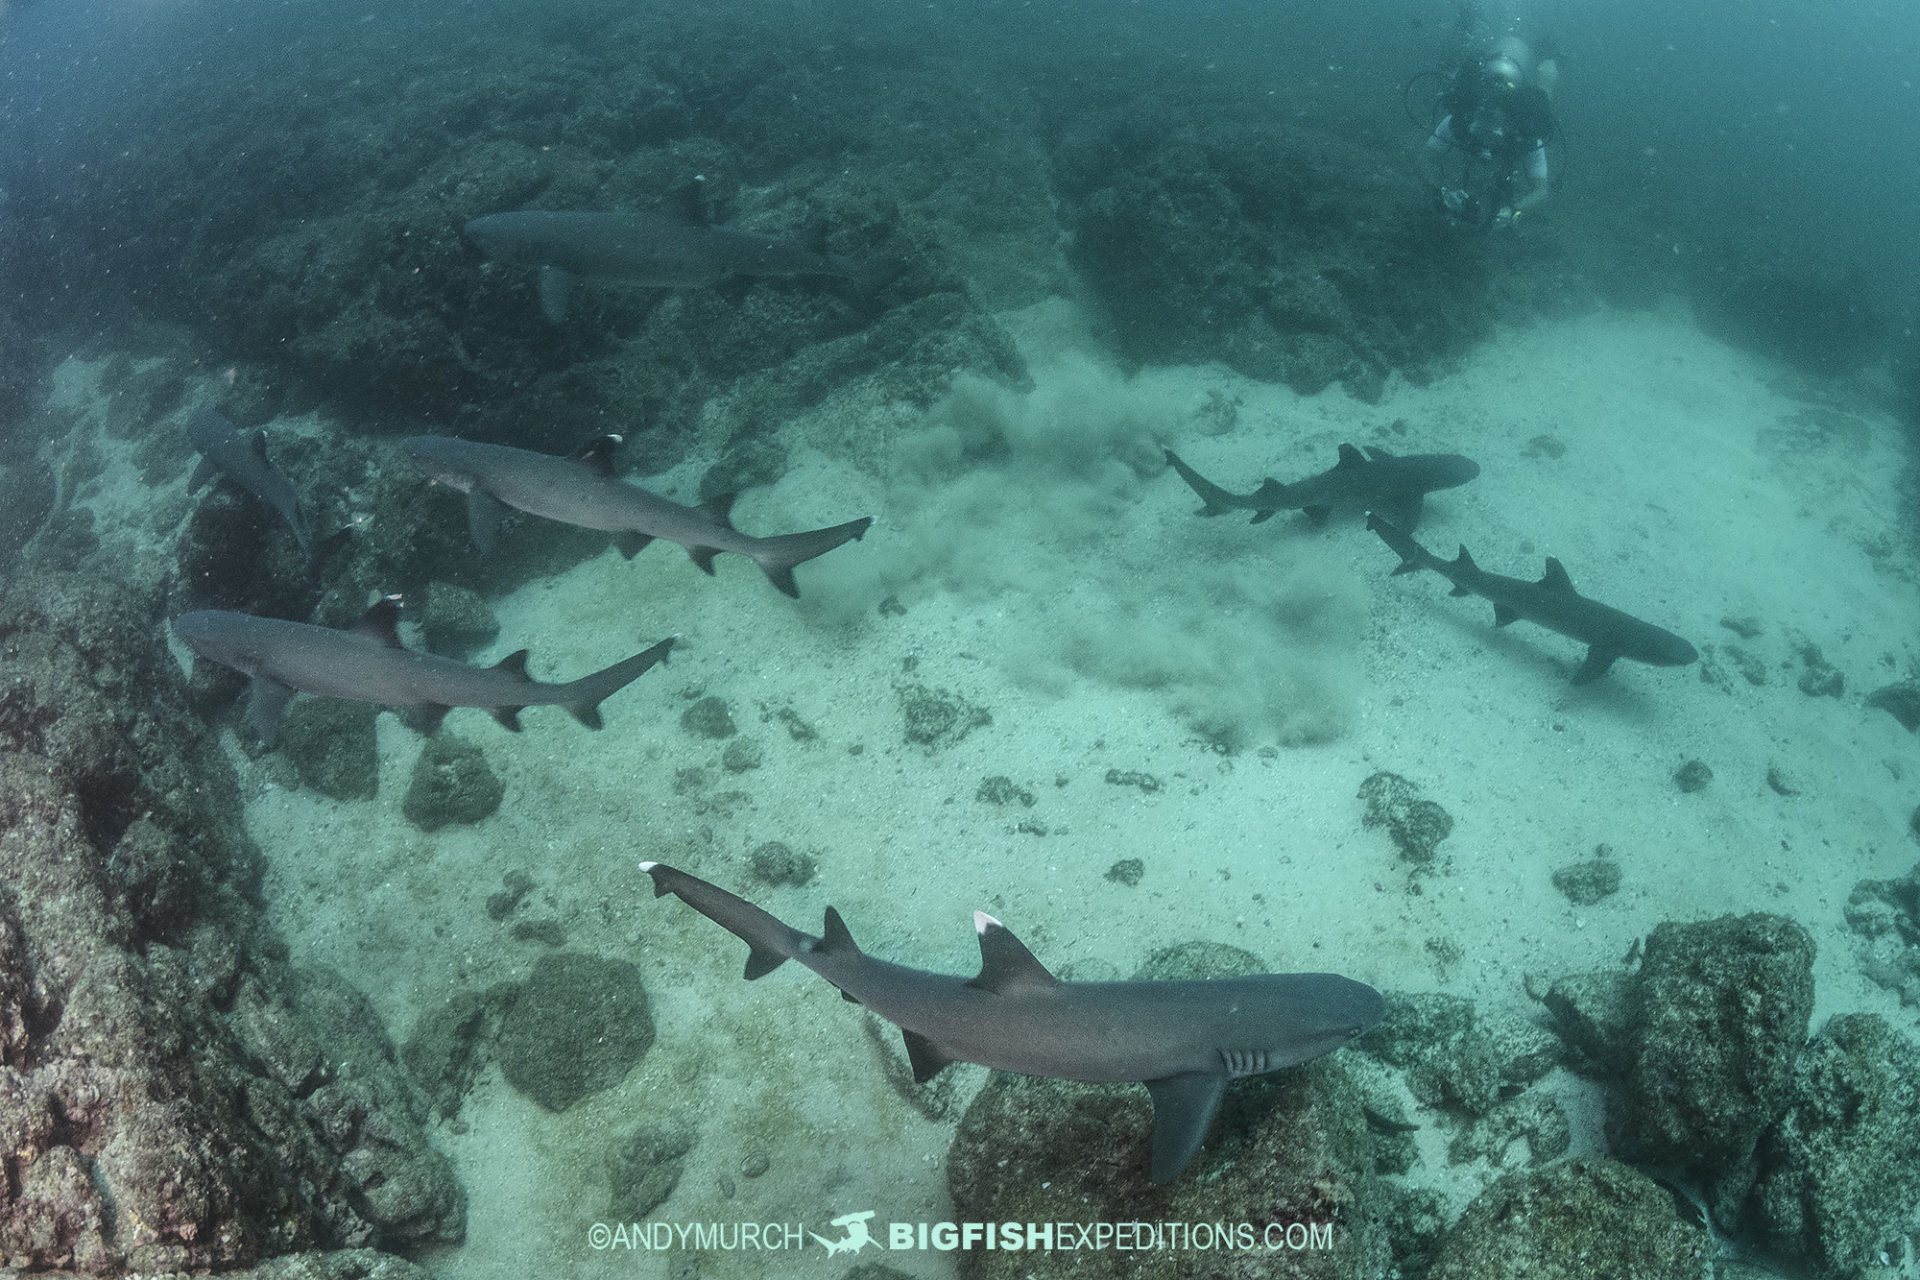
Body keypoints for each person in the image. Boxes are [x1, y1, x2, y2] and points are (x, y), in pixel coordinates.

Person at [1420, 35, 1559, 229]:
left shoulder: (1524, 131)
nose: (1485, 137)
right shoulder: (1460, 120)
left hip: (1513, 90)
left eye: (1493, 120)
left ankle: (1549, 55)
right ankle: (1470, 30)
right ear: (1474, 112)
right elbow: (1428, 157)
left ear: (1509, 122)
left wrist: (1514, 210)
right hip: (1488, 75)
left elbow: (1542, 190)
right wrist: (1439, 192)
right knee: (1455, 71)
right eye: (1483, 117)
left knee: (1544, 91)